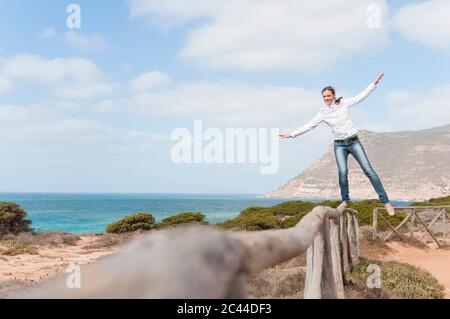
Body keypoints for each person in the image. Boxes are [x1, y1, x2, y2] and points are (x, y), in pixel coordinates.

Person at [279, 73, 395, 216]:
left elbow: (360, 96)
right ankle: (345, 200)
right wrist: (293, 134)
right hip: (339, 145)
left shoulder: (343, 103)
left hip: (353, 141)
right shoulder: (322, 113)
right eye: (324, 96)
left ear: (334, 95)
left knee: (368, 170)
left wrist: (374, 84)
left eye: (328, 95)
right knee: (342, 172)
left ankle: (386, 202)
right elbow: (310, 125)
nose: (326, 98)